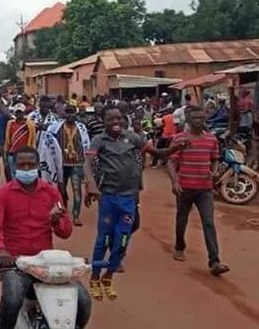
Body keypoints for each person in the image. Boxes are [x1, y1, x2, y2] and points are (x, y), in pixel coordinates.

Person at [84, 105, 184, 300]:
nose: (115, 122)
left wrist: (174, 148)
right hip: (109, 197)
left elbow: (157, 153)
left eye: (118, 119)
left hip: (129, 198)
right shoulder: (98, 140)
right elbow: (87, 164)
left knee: (122, 241)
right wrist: (91, 185)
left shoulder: (132, 137)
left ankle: (108, 277)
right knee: (103, 240)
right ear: (103, 121)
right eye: (111, 119)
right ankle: (95, 277)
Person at [0, 147, 91, 329]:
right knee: (11, 301)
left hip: (47, 264)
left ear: (38, 166)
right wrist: (1, 251)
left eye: (31, 165)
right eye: (21, 165)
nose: (26, 169)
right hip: (16, 263)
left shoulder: (50, 192)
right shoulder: (3, 194)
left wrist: (57, 221)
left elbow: (65, 232)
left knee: (82, 301)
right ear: (14, 167)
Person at [168, 106, 230, 276]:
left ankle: (214, 261)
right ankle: (179, 247)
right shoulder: (179, 139)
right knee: (182, 220)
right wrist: (175, 182)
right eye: (195, 118)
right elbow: (172, 162)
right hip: (184, 188)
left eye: (202, 117)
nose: (199, 121)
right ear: (188, 119)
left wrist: (213, 171)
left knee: (208, 222)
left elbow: (215, 159)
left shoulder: (211, 139)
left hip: (204, 189)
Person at [49, 104, 90, 226]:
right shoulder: (56, 128)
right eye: (68, 112)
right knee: (61, 189)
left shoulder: (81, 128)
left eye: (72, 112)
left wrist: (87, 164)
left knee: (77, 189)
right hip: (62, 164)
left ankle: (76, 215)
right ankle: (63, 210)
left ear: (75, 113)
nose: (70, 114)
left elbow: (86, 145)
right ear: (64, 114)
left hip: (76, 164)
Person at [3, 103, 36, 179]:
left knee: (24, 173)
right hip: (12, 153)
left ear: (24, 113)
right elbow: (7, 139)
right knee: (13, 174)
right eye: (17, 112)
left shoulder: (29, 125)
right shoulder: (10, 124)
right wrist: (6, 152)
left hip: (24, 154)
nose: (19, 114)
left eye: (20, 112)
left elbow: (33, 139)